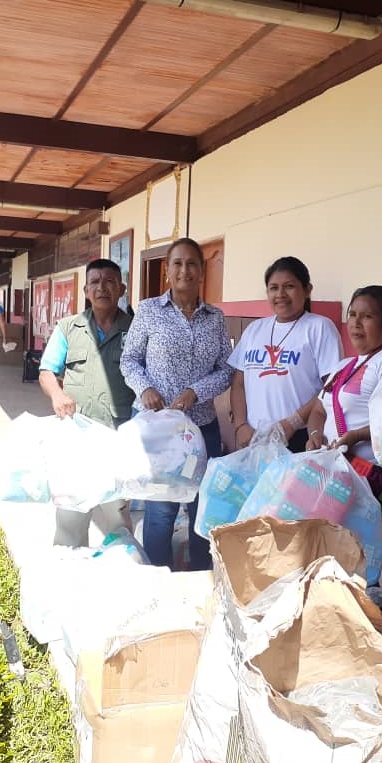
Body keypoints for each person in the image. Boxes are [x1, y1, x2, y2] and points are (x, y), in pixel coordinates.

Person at [271, 286, 382, 562]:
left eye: (367, 317)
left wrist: (355, 436)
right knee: (330, 557)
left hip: (374, 476)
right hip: (339, 478)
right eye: (352, 314)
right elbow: (319, 410)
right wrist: (314, 435)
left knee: (366, 561)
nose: (356, 324)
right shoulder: (344, 366)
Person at [120, 238, 233, 571]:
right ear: (167, 271)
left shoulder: (216, 317)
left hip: (201, 428)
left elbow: (226, 369)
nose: (185, 270)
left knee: (202, 506)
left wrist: (195, 392)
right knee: (161, 509)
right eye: (178, 264)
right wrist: (145, 388)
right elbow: (130, 359)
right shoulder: (149, 311)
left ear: (202, 271)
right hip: (158, 432)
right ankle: (159, 581)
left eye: (192, 264)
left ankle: (200, 579)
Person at [39, 259, 135, 547]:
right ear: (85, 290)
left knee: (117, 518)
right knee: (70, 514)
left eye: (109, 281)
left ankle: (120, 571)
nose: (101, 287)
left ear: (122, 288)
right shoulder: (68, 328)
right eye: (95, 282)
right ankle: (69, 572)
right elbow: (46, 371)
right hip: (75, 438)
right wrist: (57, 394)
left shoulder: (136, 329)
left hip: (118, 438)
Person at [229, 256, 342, 452]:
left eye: (289, 286)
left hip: (299, 437)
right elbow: (239, 383)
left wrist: (293, 423)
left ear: (307, 290)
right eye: (273, 288)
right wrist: (240, 425)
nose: (280, 294)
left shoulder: (319, 327)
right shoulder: (254, 329)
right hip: (254, 437)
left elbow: (331, 387)